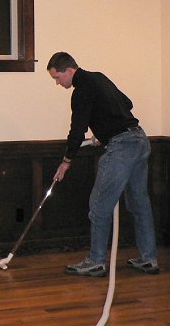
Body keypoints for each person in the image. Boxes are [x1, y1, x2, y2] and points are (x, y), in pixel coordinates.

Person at [47, 52, 159, 277]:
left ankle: (96, 261)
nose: (58, 83)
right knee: (139, 204)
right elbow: (127, 104)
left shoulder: (80, 91)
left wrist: (66, 161)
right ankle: (149, 259)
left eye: (57, 77)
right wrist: (104, 131)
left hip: (122, 147)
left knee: (99, 206)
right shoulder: (99, 77)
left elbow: (77, 130)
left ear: (69, 70)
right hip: (139, 140)